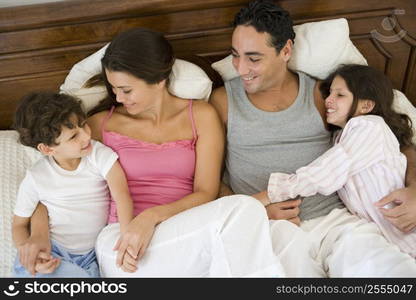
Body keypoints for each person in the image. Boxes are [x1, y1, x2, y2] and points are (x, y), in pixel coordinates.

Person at [210, 0, 416, 277]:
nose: (240, 68)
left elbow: (396, 144)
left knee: (390, 273)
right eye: (235, 55)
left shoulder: (323, 95)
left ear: (285, 51)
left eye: (253, 58)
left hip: (337, 222)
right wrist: (255, 212)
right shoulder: (223, 101)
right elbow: (211, 181)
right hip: (271, 227)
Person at [83, 27, 282, 277]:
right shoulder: (100, 125)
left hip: (186, 230)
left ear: (159, 79)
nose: (119, 97)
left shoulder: (200, 116)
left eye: (126, 90)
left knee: (273, 233)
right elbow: (53, 175)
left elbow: (206, 192)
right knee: (245, 210)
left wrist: (151, 218)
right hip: (123, 241)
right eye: (113, 89)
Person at [266, 64, 416, 258]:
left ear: (366, 106)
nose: (328, 100)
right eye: (329, 93)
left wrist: (273, 192)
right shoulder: (341, 136)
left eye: (340, 95)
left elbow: (327, 171)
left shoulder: (369, 126)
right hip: (394, 240)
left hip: (406, 233)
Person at [12, 92, 134, 277]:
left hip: (93, 257)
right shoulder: (36, 177)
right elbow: (19, 225)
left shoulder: (98, 154)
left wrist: (127, 238)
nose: (86, 136)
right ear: (47, 148)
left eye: (83, 124)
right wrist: (30, 255)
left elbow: (122, 196)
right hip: (53, 253)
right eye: (73, 136)